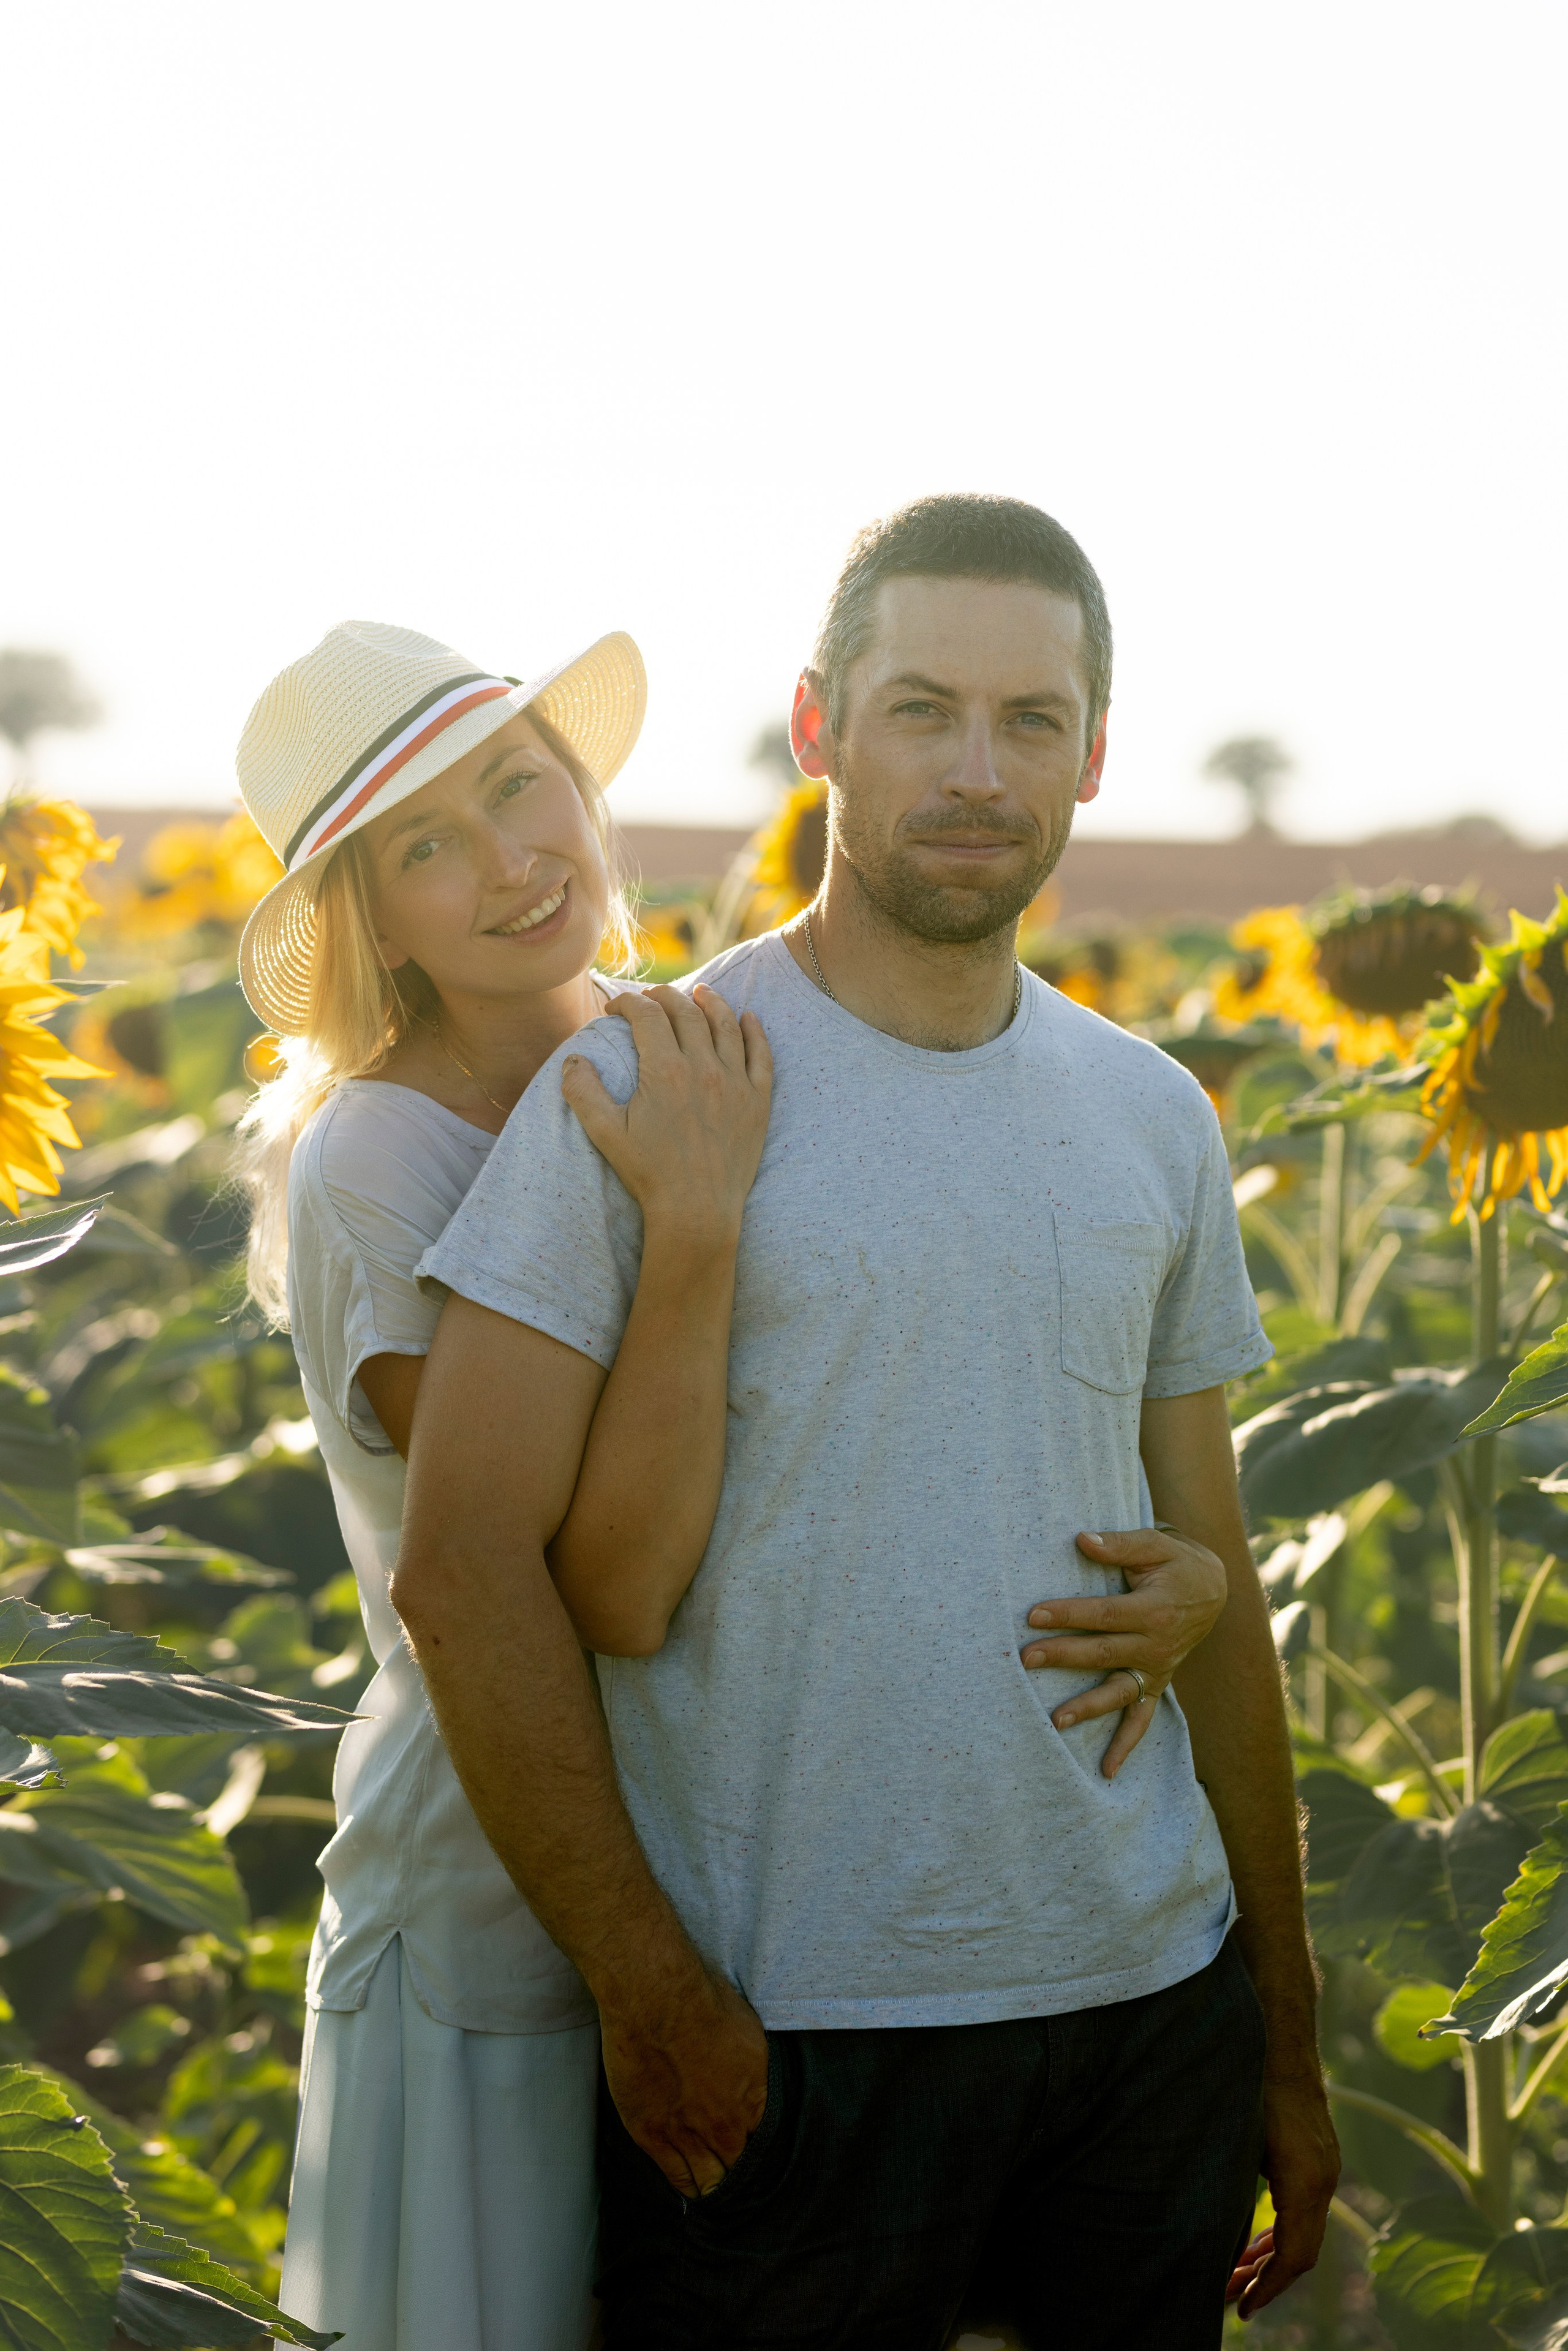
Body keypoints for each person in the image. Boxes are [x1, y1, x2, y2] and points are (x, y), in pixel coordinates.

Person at [394, 496, 1338, 2350]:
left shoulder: (1156, 1115)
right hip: (792, 2034)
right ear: (820, 726)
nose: (978, 772)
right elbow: (464, 1567)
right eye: (922, 710)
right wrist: (647, 1984)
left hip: (1149, 2011)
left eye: (1032, 722)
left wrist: (1282, 2047)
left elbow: (1211, 1582)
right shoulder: (642, 1083)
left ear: (1091, 755)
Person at [230, 617, 776, 2351]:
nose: (507, 861)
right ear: (370, 919)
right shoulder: (378, 1153)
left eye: (518, 787)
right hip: (492, 1880)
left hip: (720, 1844)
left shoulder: (673, 1046)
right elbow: (535, 1553)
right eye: (424, 846)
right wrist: (691, 1232)